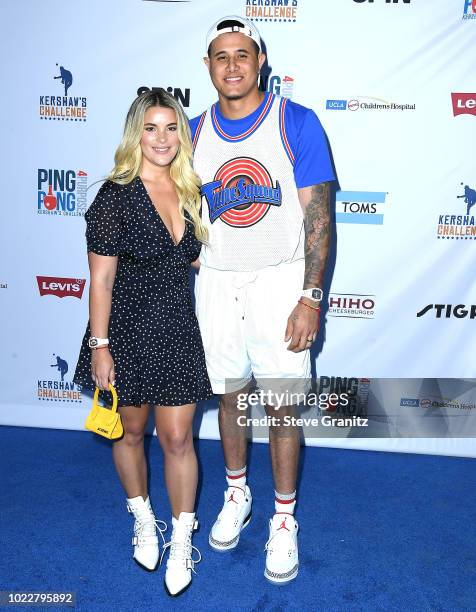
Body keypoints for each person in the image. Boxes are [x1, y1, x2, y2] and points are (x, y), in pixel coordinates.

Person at [190, 16, 335, 584]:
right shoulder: (194, 130)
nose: (232, 65)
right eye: (221, 56)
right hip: (219, 281)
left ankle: (282, 518)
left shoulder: (295, 122)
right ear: (208, 66)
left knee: (281, 406)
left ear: (261, 60)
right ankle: (236, 494)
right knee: (229, 398)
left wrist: (311, 297)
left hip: (280, 282)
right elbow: (176, 202)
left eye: (242, 54)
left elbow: (319, 217)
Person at [74, 89, 212, 597]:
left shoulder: (191, 190)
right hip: (126, 332)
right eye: (151, 128)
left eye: (171, 127)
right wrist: (100, 345)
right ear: (136, 134)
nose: (161, 139)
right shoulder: (116, 193)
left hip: (177, 328)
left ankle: (180, 538)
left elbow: (198, 262)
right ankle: (142, 517)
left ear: (183, 133)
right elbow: (101, 281)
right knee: (130, 434)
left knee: (179, 440)